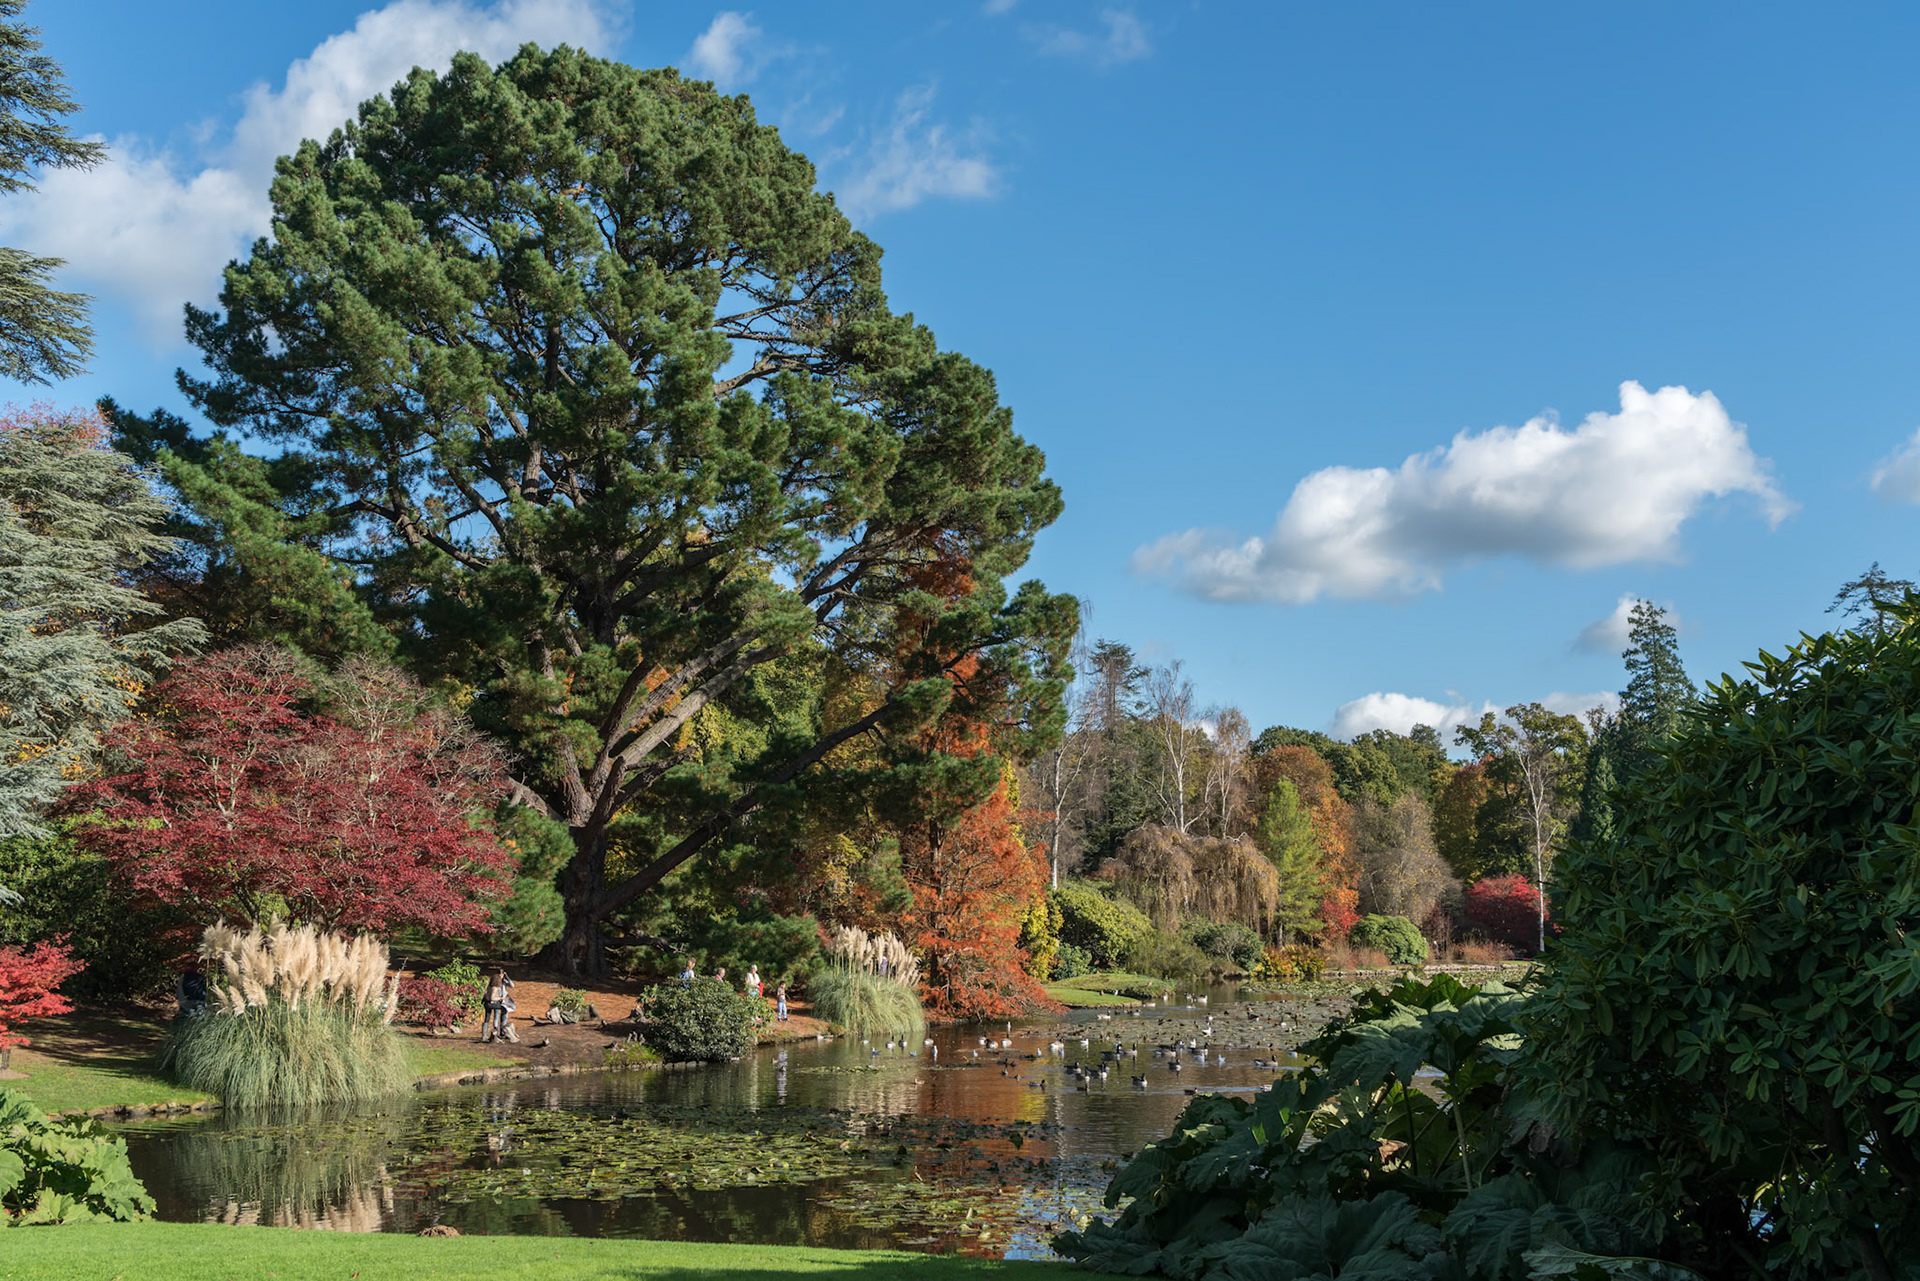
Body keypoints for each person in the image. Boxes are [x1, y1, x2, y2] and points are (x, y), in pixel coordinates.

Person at [481, 969, 516, 1043]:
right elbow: (492, 997)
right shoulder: (495, 987)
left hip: (487, 1003)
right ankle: (500, 1031)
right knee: (503, 1010)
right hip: (494, 1002)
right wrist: (500, 998)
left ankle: (484, 1036)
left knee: (487, 1018)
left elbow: (512, 985)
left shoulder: (491, 984)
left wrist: (507, 977)